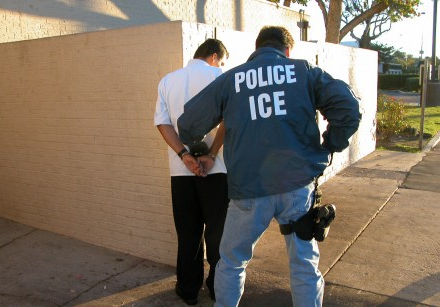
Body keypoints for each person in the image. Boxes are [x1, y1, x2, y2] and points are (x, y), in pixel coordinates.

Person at [177, 26, 361, 306]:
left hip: (249, 190)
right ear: (287, 51)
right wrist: (328, 146)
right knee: (304, 266)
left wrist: (203, 146)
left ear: (257, 48)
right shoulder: (305, 72)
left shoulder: (232, 78)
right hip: (298, 188)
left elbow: (188, 125)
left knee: (232, 262)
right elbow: (349, 109)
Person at [154, 38, 230, 305]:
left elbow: (162, 124)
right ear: (213, 56)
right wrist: (210, 154)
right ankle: (219, 289)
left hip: (181, 171)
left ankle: (188, 290)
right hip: (217, 170)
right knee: (218, 233)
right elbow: (229, 120)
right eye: (221, 60)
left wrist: (184, 155)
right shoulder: (222, 77)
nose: (220, 65)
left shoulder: (168, 81)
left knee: (188, 234)